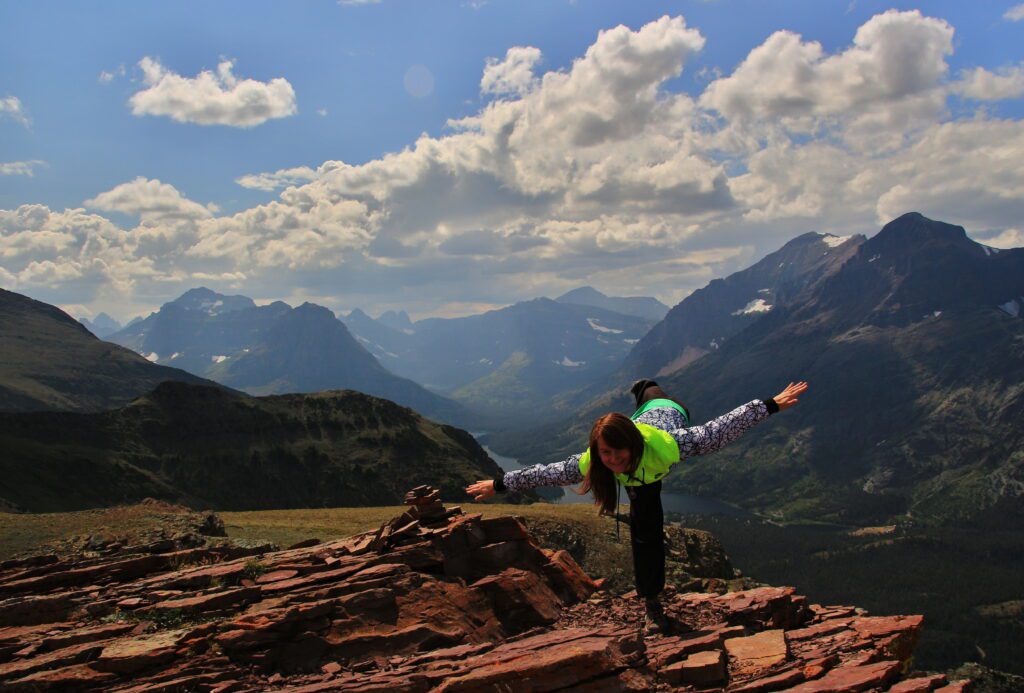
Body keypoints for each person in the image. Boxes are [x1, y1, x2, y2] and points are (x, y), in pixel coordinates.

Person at [465, 378, 809, 635]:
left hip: (667, 413)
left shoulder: (672, 444)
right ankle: (651, 599)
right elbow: (548, 472)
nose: (613, 461)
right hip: (641, 435)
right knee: (646, 532)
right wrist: (499, 484)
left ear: (633, 446)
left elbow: (719, 430)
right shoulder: (593, 461)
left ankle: (647, 385)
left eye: (619, 453)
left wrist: (770, 405)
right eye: (606, 454)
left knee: (655, 396)